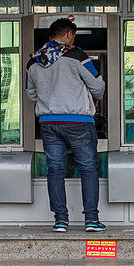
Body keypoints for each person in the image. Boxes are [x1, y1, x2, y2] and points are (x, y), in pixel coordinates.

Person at [25, 18, 106, 233]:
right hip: (78, 121)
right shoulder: (77, 56)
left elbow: (31, 93)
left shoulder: (32, 62)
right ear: (69, 34)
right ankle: (91, 220)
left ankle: (60, 220)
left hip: (49, 123)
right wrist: (94, 98)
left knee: (55, 170)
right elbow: (97, 84)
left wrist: (50, 100)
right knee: (88, 169)